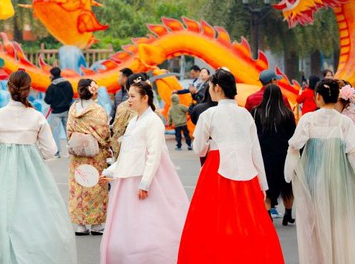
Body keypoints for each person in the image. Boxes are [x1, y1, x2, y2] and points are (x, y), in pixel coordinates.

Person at [177, 69, 283, 263]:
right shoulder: (245, 114)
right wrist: (263, 185)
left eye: (209, 86)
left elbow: (198, 149)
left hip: (217, 170)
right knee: (249, 222)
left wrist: (212, 144)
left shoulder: (209, 114)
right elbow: (255, 152)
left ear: (217, 88)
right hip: (248, 172)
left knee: (214, 222)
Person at [0, 70, 77, 264]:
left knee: (3, 213)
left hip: (2, 171)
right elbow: (51, 150)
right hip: (33, 171)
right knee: (35, 213)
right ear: (28, 90)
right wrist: (31, 152)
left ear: (8, 88)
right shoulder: (36, 116)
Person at [100, 78, 188, 263]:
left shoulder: (153, 121)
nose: (129, 100)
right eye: (128, 96)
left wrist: (145, 183)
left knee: (150, 222)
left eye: (132, 96)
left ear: (145, 98)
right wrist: (109, 171)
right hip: (129, 177)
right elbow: (128, 154)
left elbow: (154, 154)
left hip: (145, 179)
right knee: (130, 224)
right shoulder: (134, 121)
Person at [284, 78, 355, 264]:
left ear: (318, 97)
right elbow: (353, 153)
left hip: (313, 181)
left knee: (315, 225)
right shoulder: (345, 123)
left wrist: (290, 170)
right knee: (338, 224)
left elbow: (294, 145)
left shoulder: (309, 119)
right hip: (340, 183)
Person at [67, 77, 111, 235]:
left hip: (77, 155)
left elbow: (69, 131)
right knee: (95, 187)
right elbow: (104, 132)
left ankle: (80, 225)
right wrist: (107, 146)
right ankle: (97, 224)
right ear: (92, 92)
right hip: (95, 155)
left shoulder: (73, 109)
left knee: (79, 188)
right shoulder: (98, 110)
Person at [251, 84, 296, 225]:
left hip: (264, 155)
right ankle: (288, 214)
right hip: (283, 155)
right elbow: (293, 135)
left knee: (267, 186)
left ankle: (267, 214)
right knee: (287, 187)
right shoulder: (287, 113)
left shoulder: (256, 112)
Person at [44, 66, 74, 157]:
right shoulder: (68, 84)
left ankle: (57, 152)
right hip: (66, 110)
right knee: (68, 131)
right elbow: (71, 95)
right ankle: (71, 151)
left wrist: (54, 102)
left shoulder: (52, 86)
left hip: (56, 112)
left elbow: (47, 100)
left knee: (55, 132)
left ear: (52, 75)